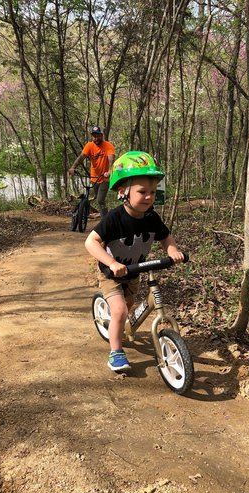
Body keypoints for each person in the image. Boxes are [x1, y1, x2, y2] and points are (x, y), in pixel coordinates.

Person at [85, 151, 184, 372]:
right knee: (120, 311)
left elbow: (165, 236)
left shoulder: (152, 218)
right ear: (123, 192)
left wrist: (173, 249)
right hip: (111, 273)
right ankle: (116, 353)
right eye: (142, 192)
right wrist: (111, 263)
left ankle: (119, 323)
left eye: (152, 192)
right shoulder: (114, 218)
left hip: (134, 272)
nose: (149, 197)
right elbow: (91, 242)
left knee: (126, 307)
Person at [68, 126, 115, 218]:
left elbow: (111, 159)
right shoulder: (89, 145)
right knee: (98, 200)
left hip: (105, 177)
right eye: (94, 136)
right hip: (94, 177)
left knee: (100, 200)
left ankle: (105, 221)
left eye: (98, 136)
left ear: (101, 135)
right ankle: (103, 216)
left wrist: (109, 170)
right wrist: (73, 167)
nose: (96, 138)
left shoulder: (108, 145)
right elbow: (81, 157)